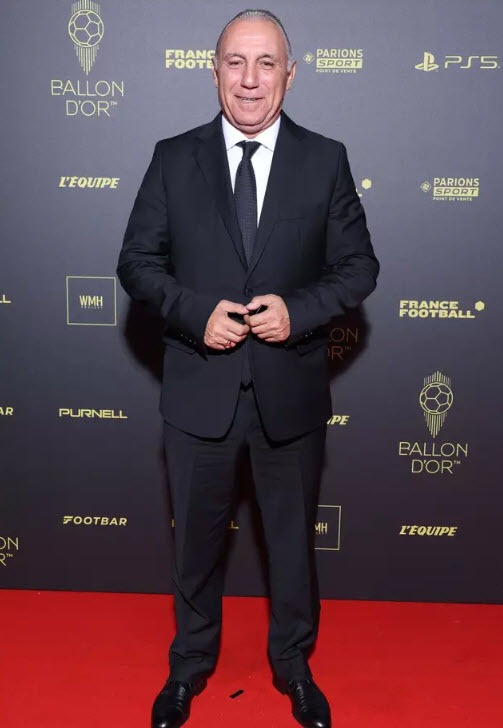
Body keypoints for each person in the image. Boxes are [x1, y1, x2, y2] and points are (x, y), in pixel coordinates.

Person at [117, 9, 379, 728]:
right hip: (197, 391)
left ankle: (294, 668)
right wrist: (193, 311)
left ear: (289, 75)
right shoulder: (174, 157)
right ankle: (188, 668)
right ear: (214, 72)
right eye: (235, 62)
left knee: (290, 548)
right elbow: (136, 262)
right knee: (195, 548)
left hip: (288, 393)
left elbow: (358, 267)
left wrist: (299, 311)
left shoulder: (325, 159)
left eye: (266, 63)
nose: (250, 79)